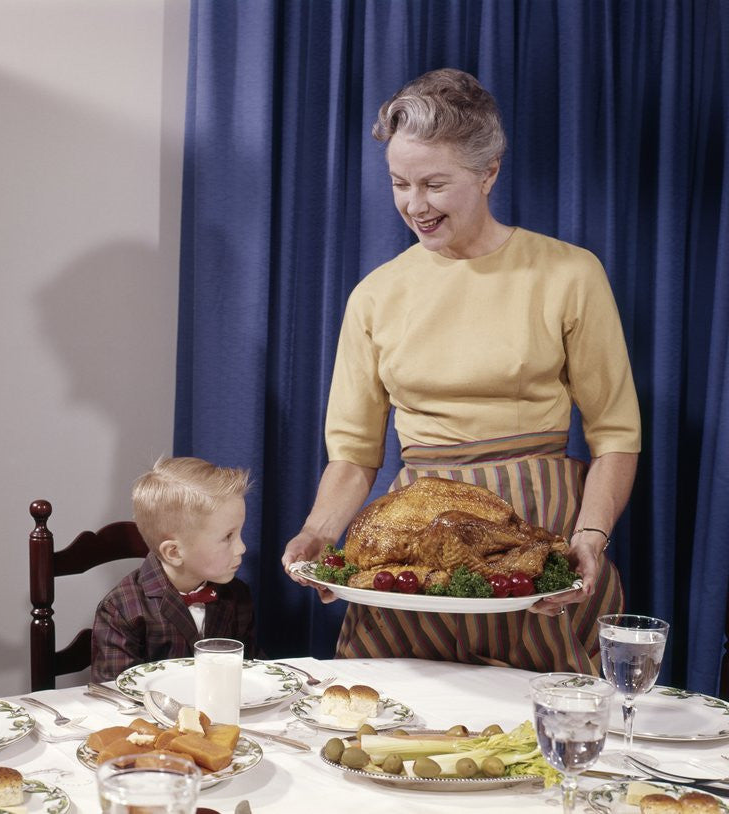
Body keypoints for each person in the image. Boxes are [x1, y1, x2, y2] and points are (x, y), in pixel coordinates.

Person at [282, 68, 641, 675]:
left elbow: (616, 434)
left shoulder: (570, 274)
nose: (414, 205)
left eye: (434, 184)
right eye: (400, 183)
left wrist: (589, 538)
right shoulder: (375, 295)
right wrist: (317, 534)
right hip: (414, 544)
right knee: (398, 715)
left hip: (536, 534)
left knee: (541, 722)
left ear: (488, 173)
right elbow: (354, 454)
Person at [91, 456, 258, 682]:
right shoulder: (121, 610)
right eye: (228, 537)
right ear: (174, 552)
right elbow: (114, 691)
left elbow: (252, 671)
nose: (242, 548)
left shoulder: (237, 595)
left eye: (239, 533)